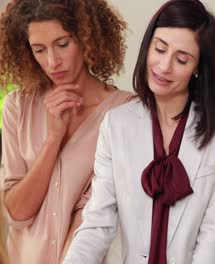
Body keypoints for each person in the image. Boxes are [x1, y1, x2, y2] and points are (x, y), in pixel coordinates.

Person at [63, 0, 215, 263]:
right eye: (159, 49)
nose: (164, 66)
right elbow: (97, 222)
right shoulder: (116, 124)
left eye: (181, 59)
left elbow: (214, 234)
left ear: (197, 69)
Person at [0, 0, 131, 263]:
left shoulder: (125, 113)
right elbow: (16, 214)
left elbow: (102, 213)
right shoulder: (18, 107)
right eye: (39, 49)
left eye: (63, 44)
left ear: (87, 37)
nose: (52, 62)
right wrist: (53, 139)